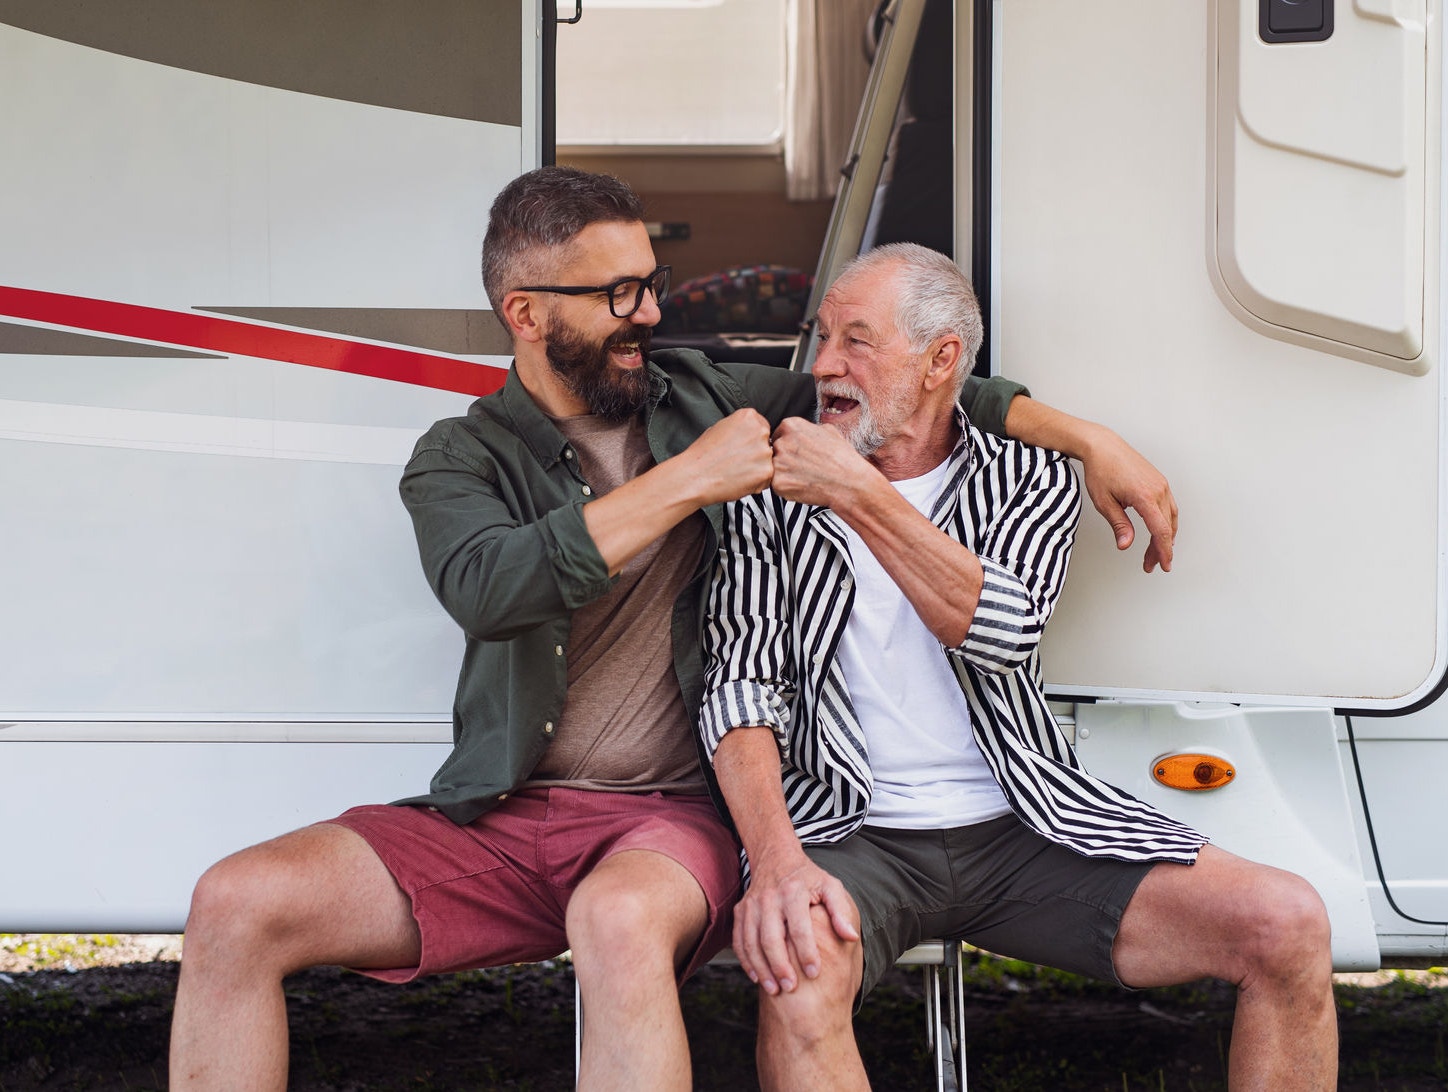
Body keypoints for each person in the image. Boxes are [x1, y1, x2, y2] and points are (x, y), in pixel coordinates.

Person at [169, 168, 1179, 1090]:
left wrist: (1087, 438)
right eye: (617, 294)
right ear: (525, 314)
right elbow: (489, 588)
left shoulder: (701, 392)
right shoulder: (458, 455)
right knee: (234, 902)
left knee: (614, 922)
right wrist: (685, 482)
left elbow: (914, 388)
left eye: (649, 283)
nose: (648, 312)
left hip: (670, 814)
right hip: (505, 812)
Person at [701, 243, 1336, 1090]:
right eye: (823, 337)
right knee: (797, 975)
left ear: (941, 361)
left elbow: (1000, 630)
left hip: (1025, 825)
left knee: (1288, 922)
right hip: (849, 834)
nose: (823, 366)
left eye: (857, 340)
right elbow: (740, 688)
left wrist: (858, 491)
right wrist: (777, 863)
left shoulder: (1028, 477)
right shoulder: (765, 491)